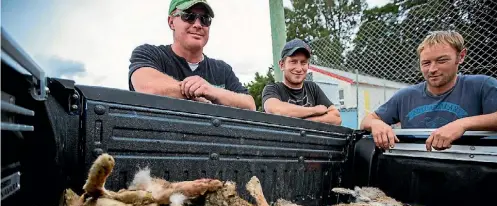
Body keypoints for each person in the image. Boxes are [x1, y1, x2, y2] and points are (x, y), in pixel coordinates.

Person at [360, 30, 497, 151]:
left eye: (442, 60)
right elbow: (367, 120)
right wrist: (377, 124)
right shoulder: (406, 96)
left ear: (461, 56)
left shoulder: (481, 85)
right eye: (426, 63)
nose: (432, 69)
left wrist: (463, 124)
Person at [128, 0, 256, 111]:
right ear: (171, 22)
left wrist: (211, 91)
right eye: (188, 16)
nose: (198, 24)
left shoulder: (222, 70)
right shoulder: (149, 54)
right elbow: (147, 86)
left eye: (205, 19)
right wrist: (198, 95)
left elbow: (249, 105)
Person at [261, 39, 342, 126]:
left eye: (303, 63)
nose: (299, 69)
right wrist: (315, 110)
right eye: (293, 62)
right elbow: (275, 110)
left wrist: (305, 122)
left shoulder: (312, 88)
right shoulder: (273, 88)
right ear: (282, 65)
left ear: (308, 66)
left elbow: (336, 118)